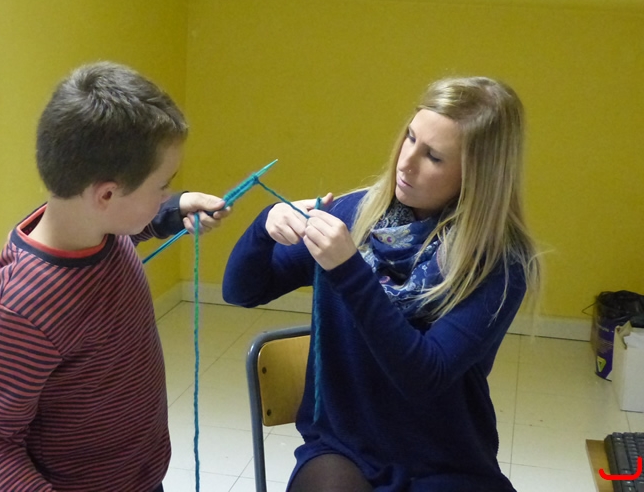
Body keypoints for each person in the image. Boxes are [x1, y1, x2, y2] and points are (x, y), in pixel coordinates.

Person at [223, 77, 540, 492]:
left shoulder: (499, 264)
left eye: (434, 156)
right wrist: (263, 227)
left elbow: (423, 376)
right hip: (343, 448)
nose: (406, 163)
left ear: (479, 176)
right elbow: (242, 291)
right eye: (410, 137)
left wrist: (348, 270)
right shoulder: (355, 214)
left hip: (446, 459)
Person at [0, 62, 230, 492]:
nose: (167, 192)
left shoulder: (95, 228)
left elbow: (128, 225)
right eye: (162, 185)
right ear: (106, 194)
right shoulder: (21, 309)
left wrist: (173, 209)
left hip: (141, 478)